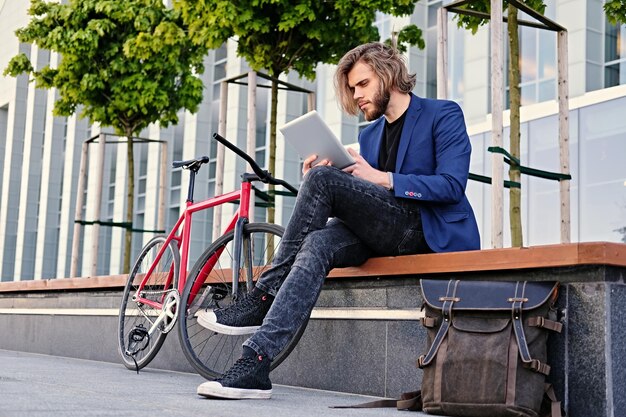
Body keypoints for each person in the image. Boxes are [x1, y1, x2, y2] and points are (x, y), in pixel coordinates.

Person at [195, 42, 480, 400]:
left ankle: (263, 296)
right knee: (317, 241)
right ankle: (256, 362)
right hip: (383, 231)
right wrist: (335, 173)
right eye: (352, 88)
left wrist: (383, 178)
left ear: (388, 73)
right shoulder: (369, 134)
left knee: (323, 183)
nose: (356, 95)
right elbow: (364, 199)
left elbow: (452, 185)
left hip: (426, 229)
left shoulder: (443, 114)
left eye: (362, 84)